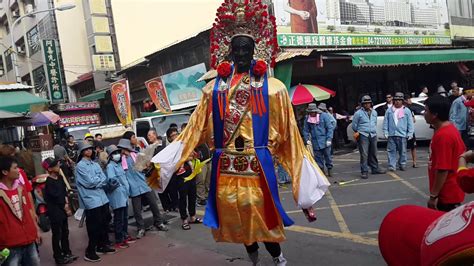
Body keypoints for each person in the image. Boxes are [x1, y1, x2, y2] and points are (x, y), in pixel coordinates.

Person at [151, 2, 329, 264]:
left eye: (247, 49)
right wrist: (162, 165)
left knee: (262, 218)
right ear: (229, 52)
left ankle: (278, 258)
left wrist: (302, 188)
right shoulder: (212, 90)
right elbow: (193, 131)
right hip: (227, 169)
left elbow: (290, 137)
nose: (242, 54)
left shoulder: (274, 89)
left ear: (256, 51)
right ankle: (253, 258)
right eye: (237, 49)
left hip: (258, 167)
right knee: (237, 220)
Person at [117, 139, 168, 239]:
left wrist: (148, 166)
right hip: (133, 187)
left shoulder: (137, 155)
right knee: (137, 210)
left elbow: (147, 166)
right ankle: (141, 228)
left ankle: (159, 223)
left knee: (154, 204)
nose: (122, 151)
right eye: (121, 149)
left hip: (144, 184)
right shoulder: (120, 161)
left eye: (123, 148)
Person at [75, 141, 115, 262]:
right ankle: (90, 251)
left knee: (104, 222)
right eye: (86, 149)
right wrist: (99, 181)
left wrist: (98, 181)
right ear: (82, 152)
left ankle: (102, 245)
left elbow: (102, 178)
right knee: (94, 226)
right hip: (91, 200)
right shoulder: (80, 166)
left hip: (102, 198)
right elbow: (89, 182)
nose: (89, 151)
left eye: (90, 149)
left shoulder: (95, 164)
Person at [424, 95, 465, 212]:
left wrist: (433, 196)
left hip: (447, 195)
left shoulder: (444, 136)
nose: (424, 113)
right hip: (449, 192)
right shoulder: (447, 130)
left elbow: (443, 169)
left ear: (435, 114)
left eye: (426, 110)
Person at [0, 156, 40, 266]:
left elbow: (28, 211)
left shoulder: (20, 188)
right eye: (15, 168)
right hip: (9, 246)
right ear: (4, 172)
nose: (19, 170)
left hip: (29, 241)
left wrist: (35, 230)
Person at [42, 158, 78, 264]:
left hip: (62, 208)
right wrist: (65, 207)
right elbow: (56, 197)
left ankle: (67, 252)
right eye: (55, 165)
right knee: (57, 234)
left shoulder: (60, 178)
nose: (58, 166)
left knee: (65, 231)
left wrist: (66, 203)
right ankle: (58, 256)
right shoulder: (49, 182)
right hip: (55, 211)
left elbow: (64, 192)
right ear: (49, 169)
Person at [105, 145, 135, 249]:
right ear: (110, 156)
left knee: (125, 217)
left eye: (117, 152)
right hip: (117, 195)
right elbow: (112, 180)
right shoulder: (110, 166)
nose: (117, 155)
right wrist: (122, 186)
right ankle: (119, 240)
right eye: (114, 153)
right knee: (119, 219)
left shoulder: (119, 165)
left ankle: (124, 235)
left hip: (123, 195)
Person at [352, 95, 386, 179]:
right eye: (365, 103)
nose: (367, 105)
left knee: (374, 152)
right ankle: (364, 171)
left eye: (368, 103)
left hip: (373, 134)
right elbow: (354, 126)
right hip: (363, 134)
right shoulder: (358, 113)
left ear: (371, 103)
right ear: (362, 104)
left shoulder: (374, 112)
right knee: (364, 154)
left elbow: (374, 123)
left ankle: (375, 168)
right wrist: (360, 132)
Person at [383, 92, 414, 172]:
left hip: (402, 134)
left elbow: (410, 123)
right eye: (396, 100)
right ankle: (392, 165)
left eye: (399, 100)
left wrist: (410, 133)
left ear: (402, 101)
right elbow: (386, 122)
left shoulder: (406, 110)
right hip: (392, 134)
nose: (397, 101)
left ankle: (402, 164)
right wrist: (386, 132)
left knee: (403, 151)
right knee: (391, 151)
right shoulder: (389, 111)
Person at [302, 103, 335, 176]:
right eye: (310, 112)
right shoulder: (307, 118)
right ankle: (321, 171)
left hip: (325, 140)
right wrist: (307, 139)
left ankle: (330, 169)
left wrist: (329, 139)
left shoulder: (324, 116)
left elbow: (329, 128)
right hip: (315, 141)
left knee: (328, 156)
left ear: (316, 111)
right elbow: (305, 130)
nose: (311, 114)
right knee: (318, 158)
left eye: (312, 112)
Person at [404, 95, 418, 168]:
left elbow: (414, 120)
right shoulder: (403, 109)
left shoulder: (410, 109)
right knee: (404, 147)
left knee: (413, 146)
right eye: (409, 99)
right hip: (404, 130)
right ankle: (403, 162)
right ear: (405, 101)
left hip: (410, 130)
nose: (411, 101)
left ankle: (414, 162)